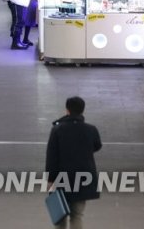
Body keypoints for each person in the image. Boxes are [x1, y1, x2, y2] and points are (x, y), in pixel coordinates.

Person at [46, 96, 102, 229]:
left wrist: (50, 180)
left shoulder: (57, 130)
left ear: (67, 110)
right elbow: (97, 146)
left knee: (60, 215)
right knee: (77, 215)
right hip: (84, 177)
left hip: (62, 177)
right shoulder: (91, 129)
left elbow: (52, 156)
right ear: (82, 111)